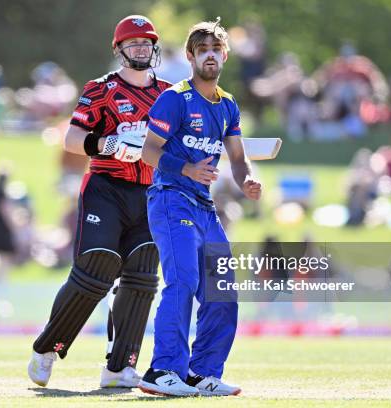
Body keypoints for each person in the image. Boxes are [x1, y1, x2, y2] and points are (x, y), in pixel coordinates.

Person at [28, 15, 171, 389]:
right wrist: (106, 145)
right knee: (96, 269)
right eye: (133, 42)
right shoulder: (102, 89)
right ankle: (47, 348)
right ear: (119, 49)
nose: (140, 48)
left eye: (146, 42)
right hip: (106, 188)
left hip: (149, 193)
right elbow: (72, 138)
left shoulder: (171, 95)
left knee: (141, 277)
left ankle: (119, 366)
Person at [137, 18, 261, 397]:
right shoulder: (175, 98)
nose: (210, 54)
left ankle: (202, 373)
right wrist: (188, 167)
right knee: (185, 281)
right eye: (202, 49)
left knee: (222, 289)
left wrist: (247, 180)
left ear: (224, 56)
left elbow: (238, 159)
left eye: (215, 49)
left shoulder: (228, 106)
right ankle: (162, 371)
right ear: (191, 56)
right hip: (172, 199)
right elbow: (148, 152)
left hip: (205, 207)